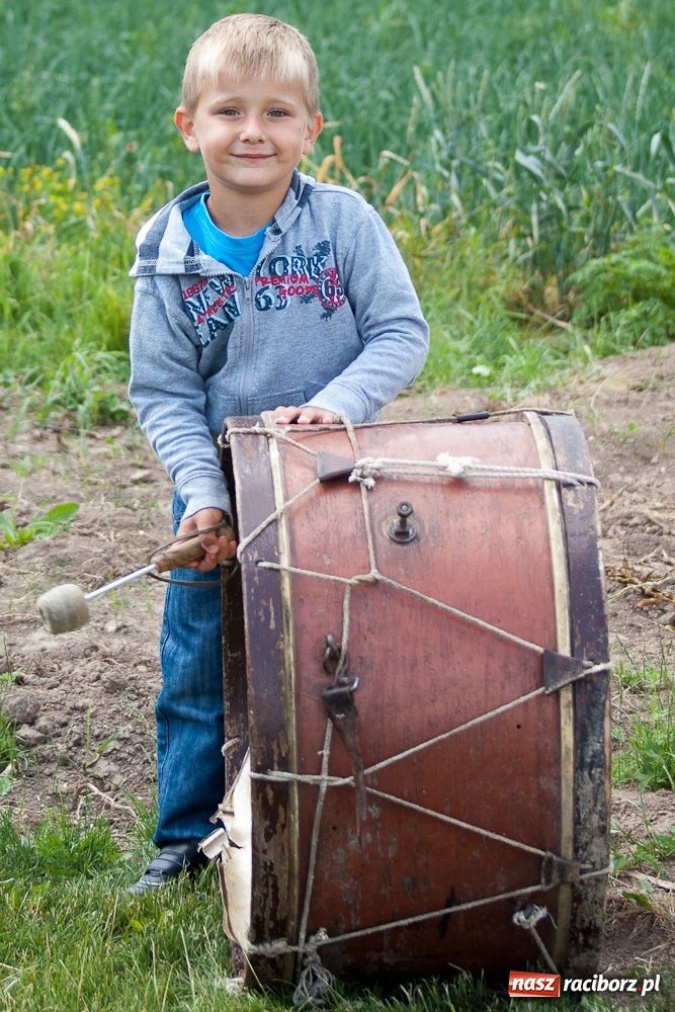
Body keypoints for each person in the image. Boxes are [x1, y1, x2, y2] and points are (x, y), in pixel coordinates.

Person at [126, 12, 429, 895]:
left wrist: (334, 408)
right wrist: (201, 495)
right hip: (221, 494)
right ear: (189, 126)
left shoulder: (343, 224)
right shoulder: (166, 254)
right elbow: (165, 394)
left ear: (311, 130)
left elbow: (399, 333)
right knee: (196, 669)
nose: (252, 131)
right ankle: (185, 841)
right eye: (228, 111)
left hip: (335, 485)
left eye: (277, 113)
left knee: (340, 661)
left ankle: (349, 817)